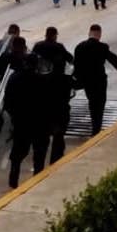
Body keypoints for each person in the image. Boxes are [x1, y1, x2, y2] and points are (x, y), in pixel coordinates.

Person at [5, 53, 50, 188]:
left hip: (20, 122)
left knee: (18, 153)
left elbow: (7, 102)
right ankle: (37, 179)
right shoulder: (42, 80)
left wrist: (14, 116)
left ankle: (13, 180)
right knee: (39, 152)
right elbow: (47, 103)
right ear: (36, 65)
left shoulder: (14, 78)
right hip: (38, 123)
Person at [32, 27, 73, 164]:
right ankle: (55, 160)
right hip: (57, 93)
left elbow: (31, 59)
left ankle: (39, 167)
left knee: (41, 139)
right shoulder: (58, 47)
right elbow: (70, 58)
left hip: (41, 94)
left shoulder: (38, 46)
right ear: (54, 35)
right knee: (58, 134)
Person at [73, 25, 117, 136]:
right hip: (99, 80)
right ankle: (97, 128)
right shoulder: (102, 47)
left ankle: (94, 123)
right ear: (99, 34)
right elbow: (112, 58)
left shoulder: (79, 47)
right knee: (100, 103)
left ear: (89, 33)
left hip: (87, 81)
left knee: (92, 101)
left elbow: (76, 65)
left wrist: (77, 80)